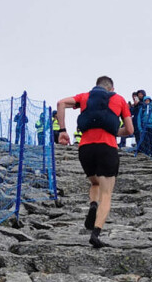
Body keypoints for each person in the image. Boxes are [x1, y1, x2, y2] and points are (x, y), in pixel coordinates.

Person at [56, 76, 134, 248]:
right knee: (107, 194)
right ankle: (96, 233)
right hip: (107, 147)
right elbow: (129, 129)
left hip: (85, 148)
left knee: (94, 182)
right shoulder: (119, 99)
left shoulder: (84, 97)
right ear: (111, 89)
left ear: (96, 87)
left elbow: (61, 103)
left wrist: (63, 131)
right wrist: (114, 131)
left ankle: (92, 204)